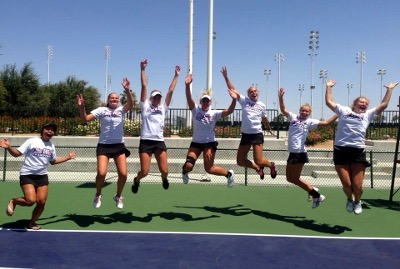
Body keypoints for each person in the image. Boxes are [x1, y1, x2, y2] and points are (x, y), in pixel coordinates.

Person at [325, 79, 398, 214]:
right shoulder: (344, 111)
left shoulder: (367, 115)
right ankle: (349, 199)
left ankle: (357, 200)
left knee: (358, 186)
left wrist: (389, 90)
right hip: (341, 150)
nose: (364, 104)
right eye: (361, 102)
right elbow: (329, 102)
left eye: (366, 103)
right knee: (347, 185)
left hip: (358, 151)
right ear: (355, 104)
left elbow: (383, 105)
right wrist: (329, 87)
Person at [1, 122, 75, 230]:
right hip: (27, 174)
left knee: (41, 202)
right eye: (47, 129)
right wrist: (9, 147)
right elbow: (17, 153)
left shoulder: (51, 146)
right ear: (42, 130)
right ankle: (14, 201)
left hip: (42, 176)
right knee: (30, 201)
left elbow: (53, 161)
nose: (50, 131)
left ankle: (32, 222)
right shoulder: (32, 141)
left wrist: (67, 157)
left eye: (52, 130)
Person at [76, 77, 133, 209]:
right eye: (112, 98)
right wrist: (82, 106)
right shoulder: (101, 110)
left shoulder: (121, 110)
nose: (114, 99)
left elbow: (130, 104)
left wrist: (127, 90)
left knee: (124, 174)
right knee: (101, 173)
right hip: (104, 146)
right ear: (108, 100)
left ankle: (118, 196)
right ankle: (98, 194)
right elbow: (84, 119)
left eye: (116, 98)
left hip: (119, 146)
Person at [278, 87, 337, 208]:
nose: (304, 112)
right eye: (302, 110)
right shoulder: (293, 117)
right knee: (289, 179)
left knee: (295, 178)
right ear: (299, 110)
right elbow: (283, 109)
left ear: (309, 113)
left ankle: (317, 195)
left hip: (300, 153)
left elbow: (326, 123)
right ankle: (312, 189)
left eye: (306, 111)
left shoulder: (310, 122)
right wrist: (280, 97)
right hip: (292, 153)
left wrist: (338, 114)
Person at [131, 59, 180, 193]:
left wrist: (176, 75)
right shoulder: (145, 106)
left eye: (159, 97)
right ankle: (137, 180)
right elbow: (144, 86)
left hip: (159, 141)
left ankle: (164, 179)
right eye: (155, 97)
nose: (157, 99)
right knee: (145, 172)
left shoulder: (163, 107)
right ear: (151, 98)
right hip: (146, 141)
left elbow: (170, 91)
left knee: (165, 170)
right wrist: (142, 69)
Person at [221, 66, 277, 180]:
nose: (253, 93)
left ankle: (271, 165)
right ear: (248, 94)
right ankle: (257, 169)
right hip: (246, 135)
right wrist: (226, 77)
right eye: (251, 92)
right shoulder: (244, 101)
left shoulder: (262, 105)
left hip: (257, 134)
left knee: (259, 160)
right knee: (240, 161)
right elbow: (232, 89)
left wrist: (269, 128)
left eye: (255, 91)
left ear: (258, 93)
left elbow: (264, 119)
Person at [181, 73, 236, 187]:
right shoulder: (196, 110)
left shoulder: (214, 113)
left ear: (210, 102)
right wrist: (187, 86)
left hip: (209, 143)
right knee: (189, 165)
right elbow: (188, 98)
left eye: (207, 101)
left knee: (209, 168)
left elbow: (229, 111)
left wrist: (234, 100)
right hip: (196, 143)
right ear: (200, 102)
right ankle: (185, 172)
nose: (206, 102)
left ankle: (229, 175)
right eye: (204, 101)